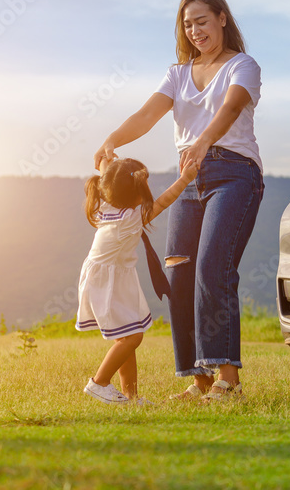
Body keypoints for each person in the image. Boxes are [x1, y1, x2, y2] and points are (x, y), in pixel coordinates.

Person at [94, 0, 264, 402]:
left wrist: (204, 141)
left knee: (212, 267)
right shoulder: (177, 74)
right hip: (190, 179)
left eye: (202, 21)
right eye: (187, 25)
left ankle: (229, 381)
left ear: (222, 18)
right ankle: (199, 380)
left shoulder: (243, 65)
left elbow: (229, 109)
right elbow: (147, 114)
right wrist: (111, 140)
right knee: (179, 275)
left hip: (234, 173)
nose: (195, 31)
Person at [77, 155, 198, 405]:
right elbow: (164, 201)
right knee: (133, 337)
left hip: (106, 277)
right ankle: (99, 383)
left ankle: (130, 397)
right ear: (137, 192)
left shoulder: (104, 202)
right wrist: (186, 178)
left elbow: (106, 178)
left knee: (128, 333)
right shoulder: (129, 219)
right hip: (108, 282)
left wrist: (107, 158)